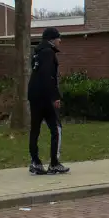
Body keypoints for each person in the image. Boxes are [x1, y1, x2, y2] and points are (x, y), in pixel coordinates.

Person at [27, 27, 69, 175]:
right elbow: (48, 76)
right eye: (58, 38)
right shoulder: (49, 53)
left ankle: (35, 162)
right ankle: (54, 163)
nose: (60, 40)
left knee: (35, 129)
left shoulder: (37, 53)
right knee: (56, 128)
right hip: (45, 97)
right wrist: (55, 96)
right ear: (52, 39)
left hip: (34, 95)